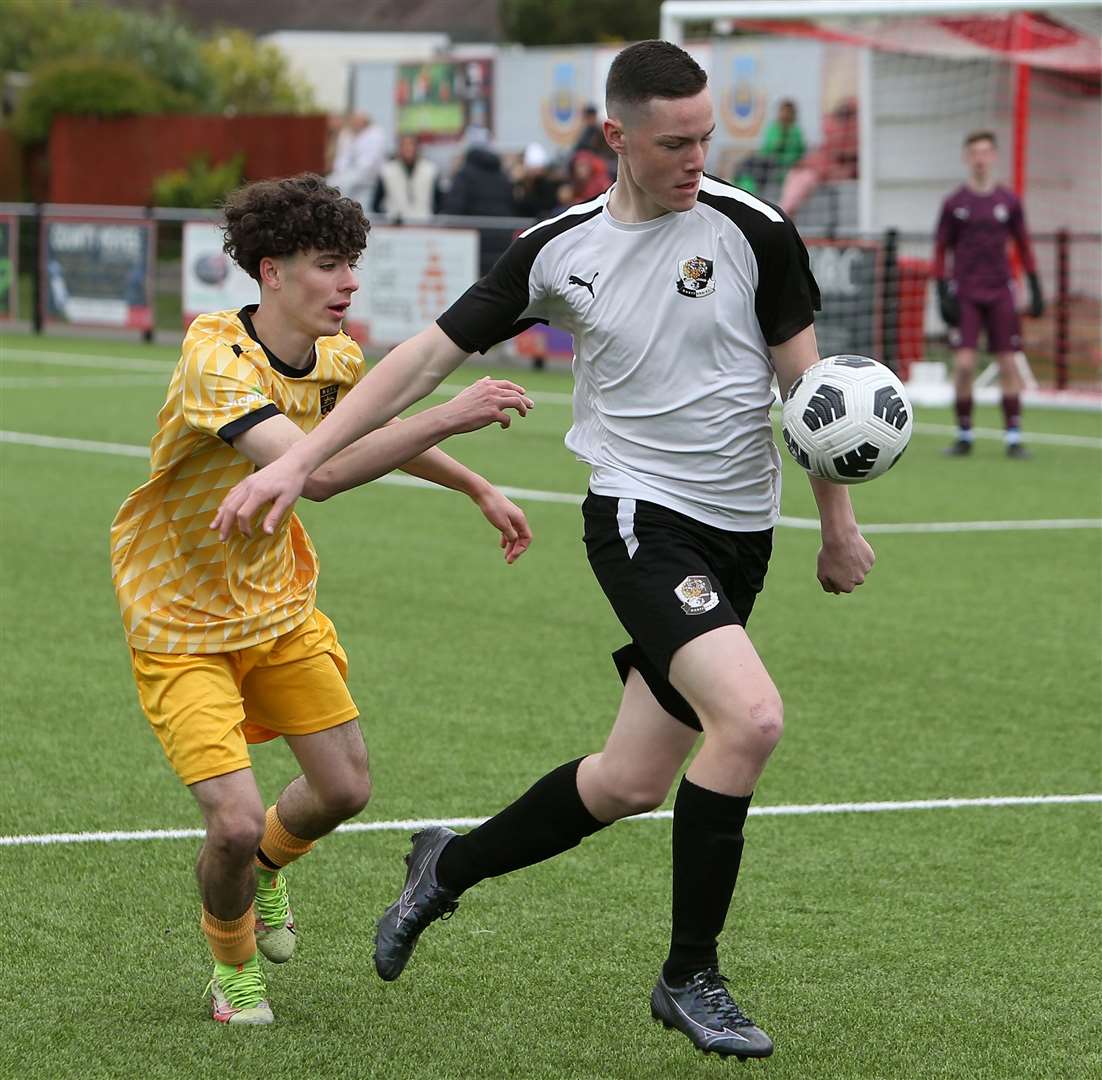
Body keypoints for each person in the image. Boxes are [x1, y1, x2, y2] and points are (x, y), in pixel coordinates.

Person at [212, 42, 875, 1060]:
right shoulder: (557, 250)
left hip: (744, 537)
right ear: (615, 136)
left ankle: (446, 868)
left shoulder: (755, 229)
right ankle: (688, 974)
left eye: (706, 138)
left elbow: (812, 395)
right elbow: (420, 361)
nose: (697, 157)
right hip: (638, 523)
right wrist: (298, 466)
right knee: (748, 719)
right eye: (673, 142)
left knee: (627, 781)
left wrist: (835, 523)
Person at [109, 174, 534, 1026]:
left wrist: (474, 486)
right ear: (271, 272)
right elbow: (321, 472)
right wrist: (448, 417)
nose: (348, 283)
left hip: (276, 607)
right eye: (328, 265)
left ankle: (269, 867)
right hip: (179, 620)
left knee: (343, 789)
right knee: (229, 822)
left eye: (353, 265)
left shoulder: (335, 357)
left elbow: (362, 432)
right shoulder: (214, 358)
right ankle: (232, 970)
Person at [933, 130, 1043, 459]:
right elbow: (940, 250)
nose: (980, 159)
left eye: (986, 152)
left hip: (1000, 291)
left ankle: (1013, 436)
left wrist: (1036, 286)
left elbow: (1024, 245)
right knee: (964, 364)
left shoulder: (1008, 202)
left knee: (1009, 363)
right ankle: (964, 433)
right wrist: (941, 292)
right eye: (975, 153)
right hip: (966, 292)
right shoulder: (955, 204)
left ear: (994, 156)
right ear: (967, 158)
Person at [778, 98, 858, 217]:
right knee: (795, 175)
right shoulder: (833, 127)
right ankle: (784, 211)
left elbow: (842, 155)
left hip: (832, 171)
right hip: (818, 168)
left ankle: (784, 212)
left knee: (804, 178)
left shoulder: (855, 129)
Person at [735, 98, 806, 195]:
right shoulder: (774, 128)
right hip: (767, 161)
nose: (784, 114)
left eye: (787, 112)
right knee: (749, 163)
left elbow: (798, 154)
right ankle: (740, 186)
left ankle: (746, 189)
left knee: (755, 165)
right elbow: (767, 147)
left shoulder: (796, 132)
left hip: (780, 166)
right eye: (782, 111)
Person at [326, 112, 387, 211]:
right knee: (331, 184)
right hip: (348, 179)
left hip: (369, 181)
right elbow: (341, 160)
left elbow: (367, 164)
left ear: (365, 122)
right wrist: (341, 174)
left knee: (362, 211)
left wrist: (346, 177)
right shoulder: (346, 134)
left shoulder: (376, 134)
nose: (355, 123)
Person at [373, 134, 440, 223]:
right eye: (404, 145)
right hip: (395, 226)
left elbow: (439, 201)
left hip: (424, 224)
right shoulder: (387, 171)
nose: (408, 149)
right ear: (398, 148)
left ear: (418, 148)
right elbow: (376, 203)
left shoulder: (430, 170)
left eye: (411, 145)